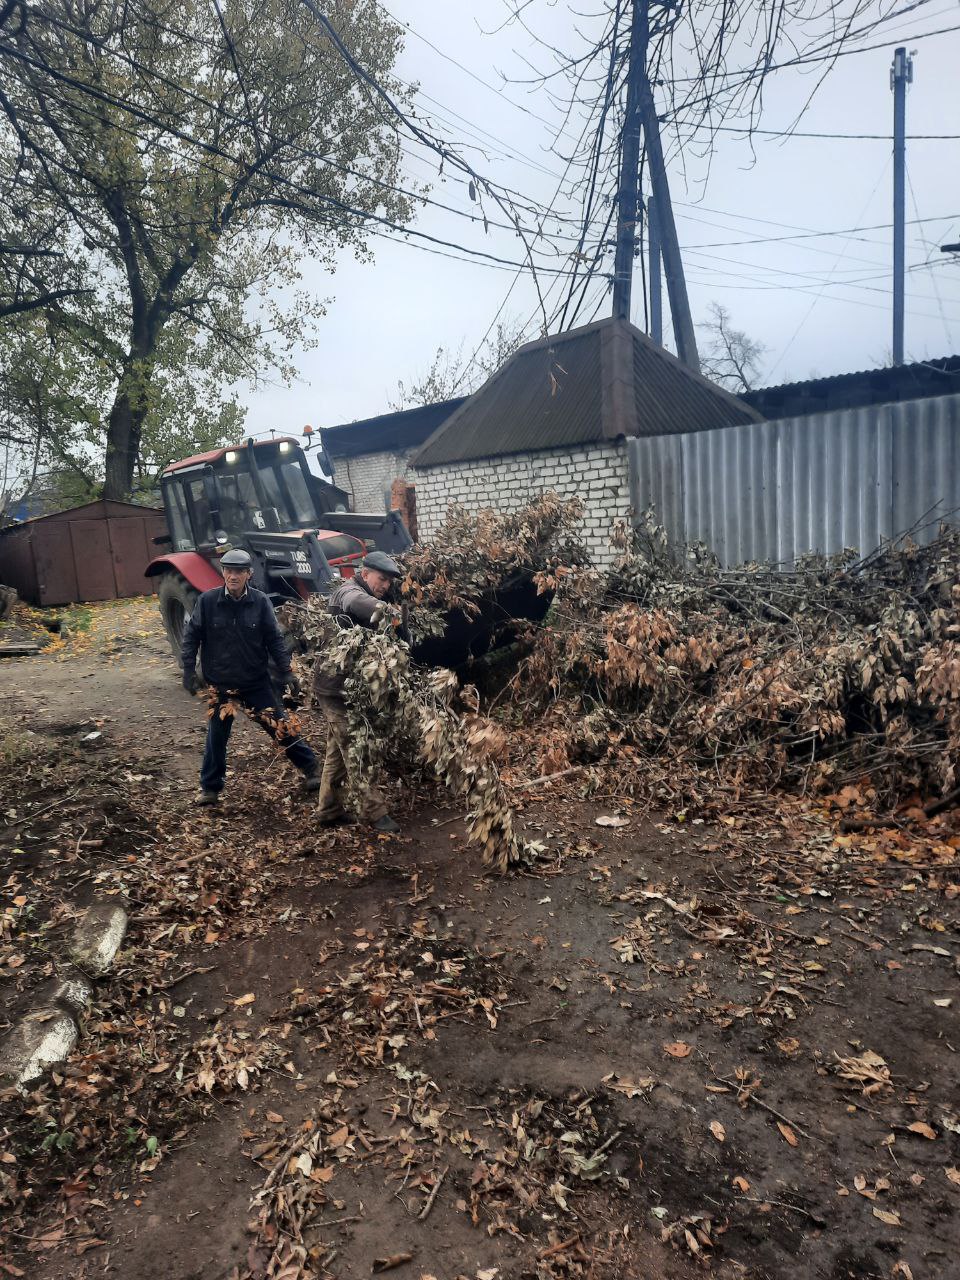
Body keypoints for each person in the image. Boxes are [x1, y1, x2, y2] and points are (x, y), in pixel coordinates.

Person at [181, 548, 321, 806]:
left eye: (239, 571)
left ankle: (312, 769)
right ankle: (210, 789)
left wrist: (287, 671)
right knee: (216, 737)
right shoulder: (208, 602)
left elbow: (274, 639)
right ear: (223, 572)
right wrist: (188, 670)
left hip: (255, 682)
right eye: (228, 570)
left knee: (279, 725)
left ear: (248, 574)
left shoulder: (260, 601)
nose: (233, 576)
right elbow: (191, 638)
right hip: (221, 685)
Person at [312, 551, 404, 833]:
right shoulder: (347, 591)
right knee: (355, 747)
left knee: (337, 750)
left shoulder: (371, 593)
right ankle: (375, 812)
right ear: (365, 574)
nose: (385, 585)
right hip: (334, 687)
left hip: (348, 687)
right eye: (381, 579)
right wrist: (392, 613)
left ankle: (328, 810)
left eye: (389, 582)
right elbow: (357, 603)